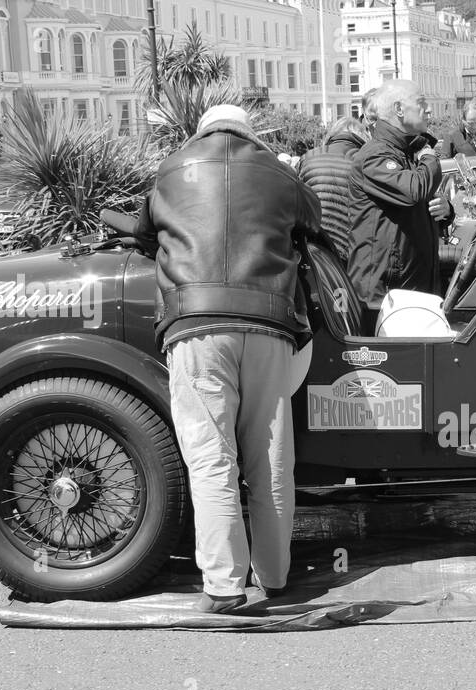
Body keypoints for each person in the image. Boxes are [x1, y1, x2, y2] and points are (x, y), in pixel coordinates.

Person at [133, 104, 321, 613]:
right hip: (268, 323)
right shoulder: (277, 172)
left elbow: (143, 225)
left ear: (201, 131)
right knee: (270, 458)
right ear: (248, 132)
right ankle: (277, 577)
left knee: (212, 457)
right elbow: (314, 217)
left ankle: (224, 587)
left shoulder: (173, 167)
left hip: (196, 325)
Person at [346, 79, 445, 313]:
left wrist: (445, 210)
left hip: (411, 289)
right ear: (399, 109)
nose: (428, 109)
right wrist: (430, 157)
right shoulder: (375, 155)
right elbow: (414, 190)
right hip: (384, 296)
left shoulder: (408, 151)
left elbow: (416, 203)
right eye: (421, 103)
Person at [298, 116, 368, 261]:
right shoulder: (364, 160)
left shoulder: (308, 157)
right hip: (351, 248)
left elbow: (297, 199)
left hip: (314, 245)